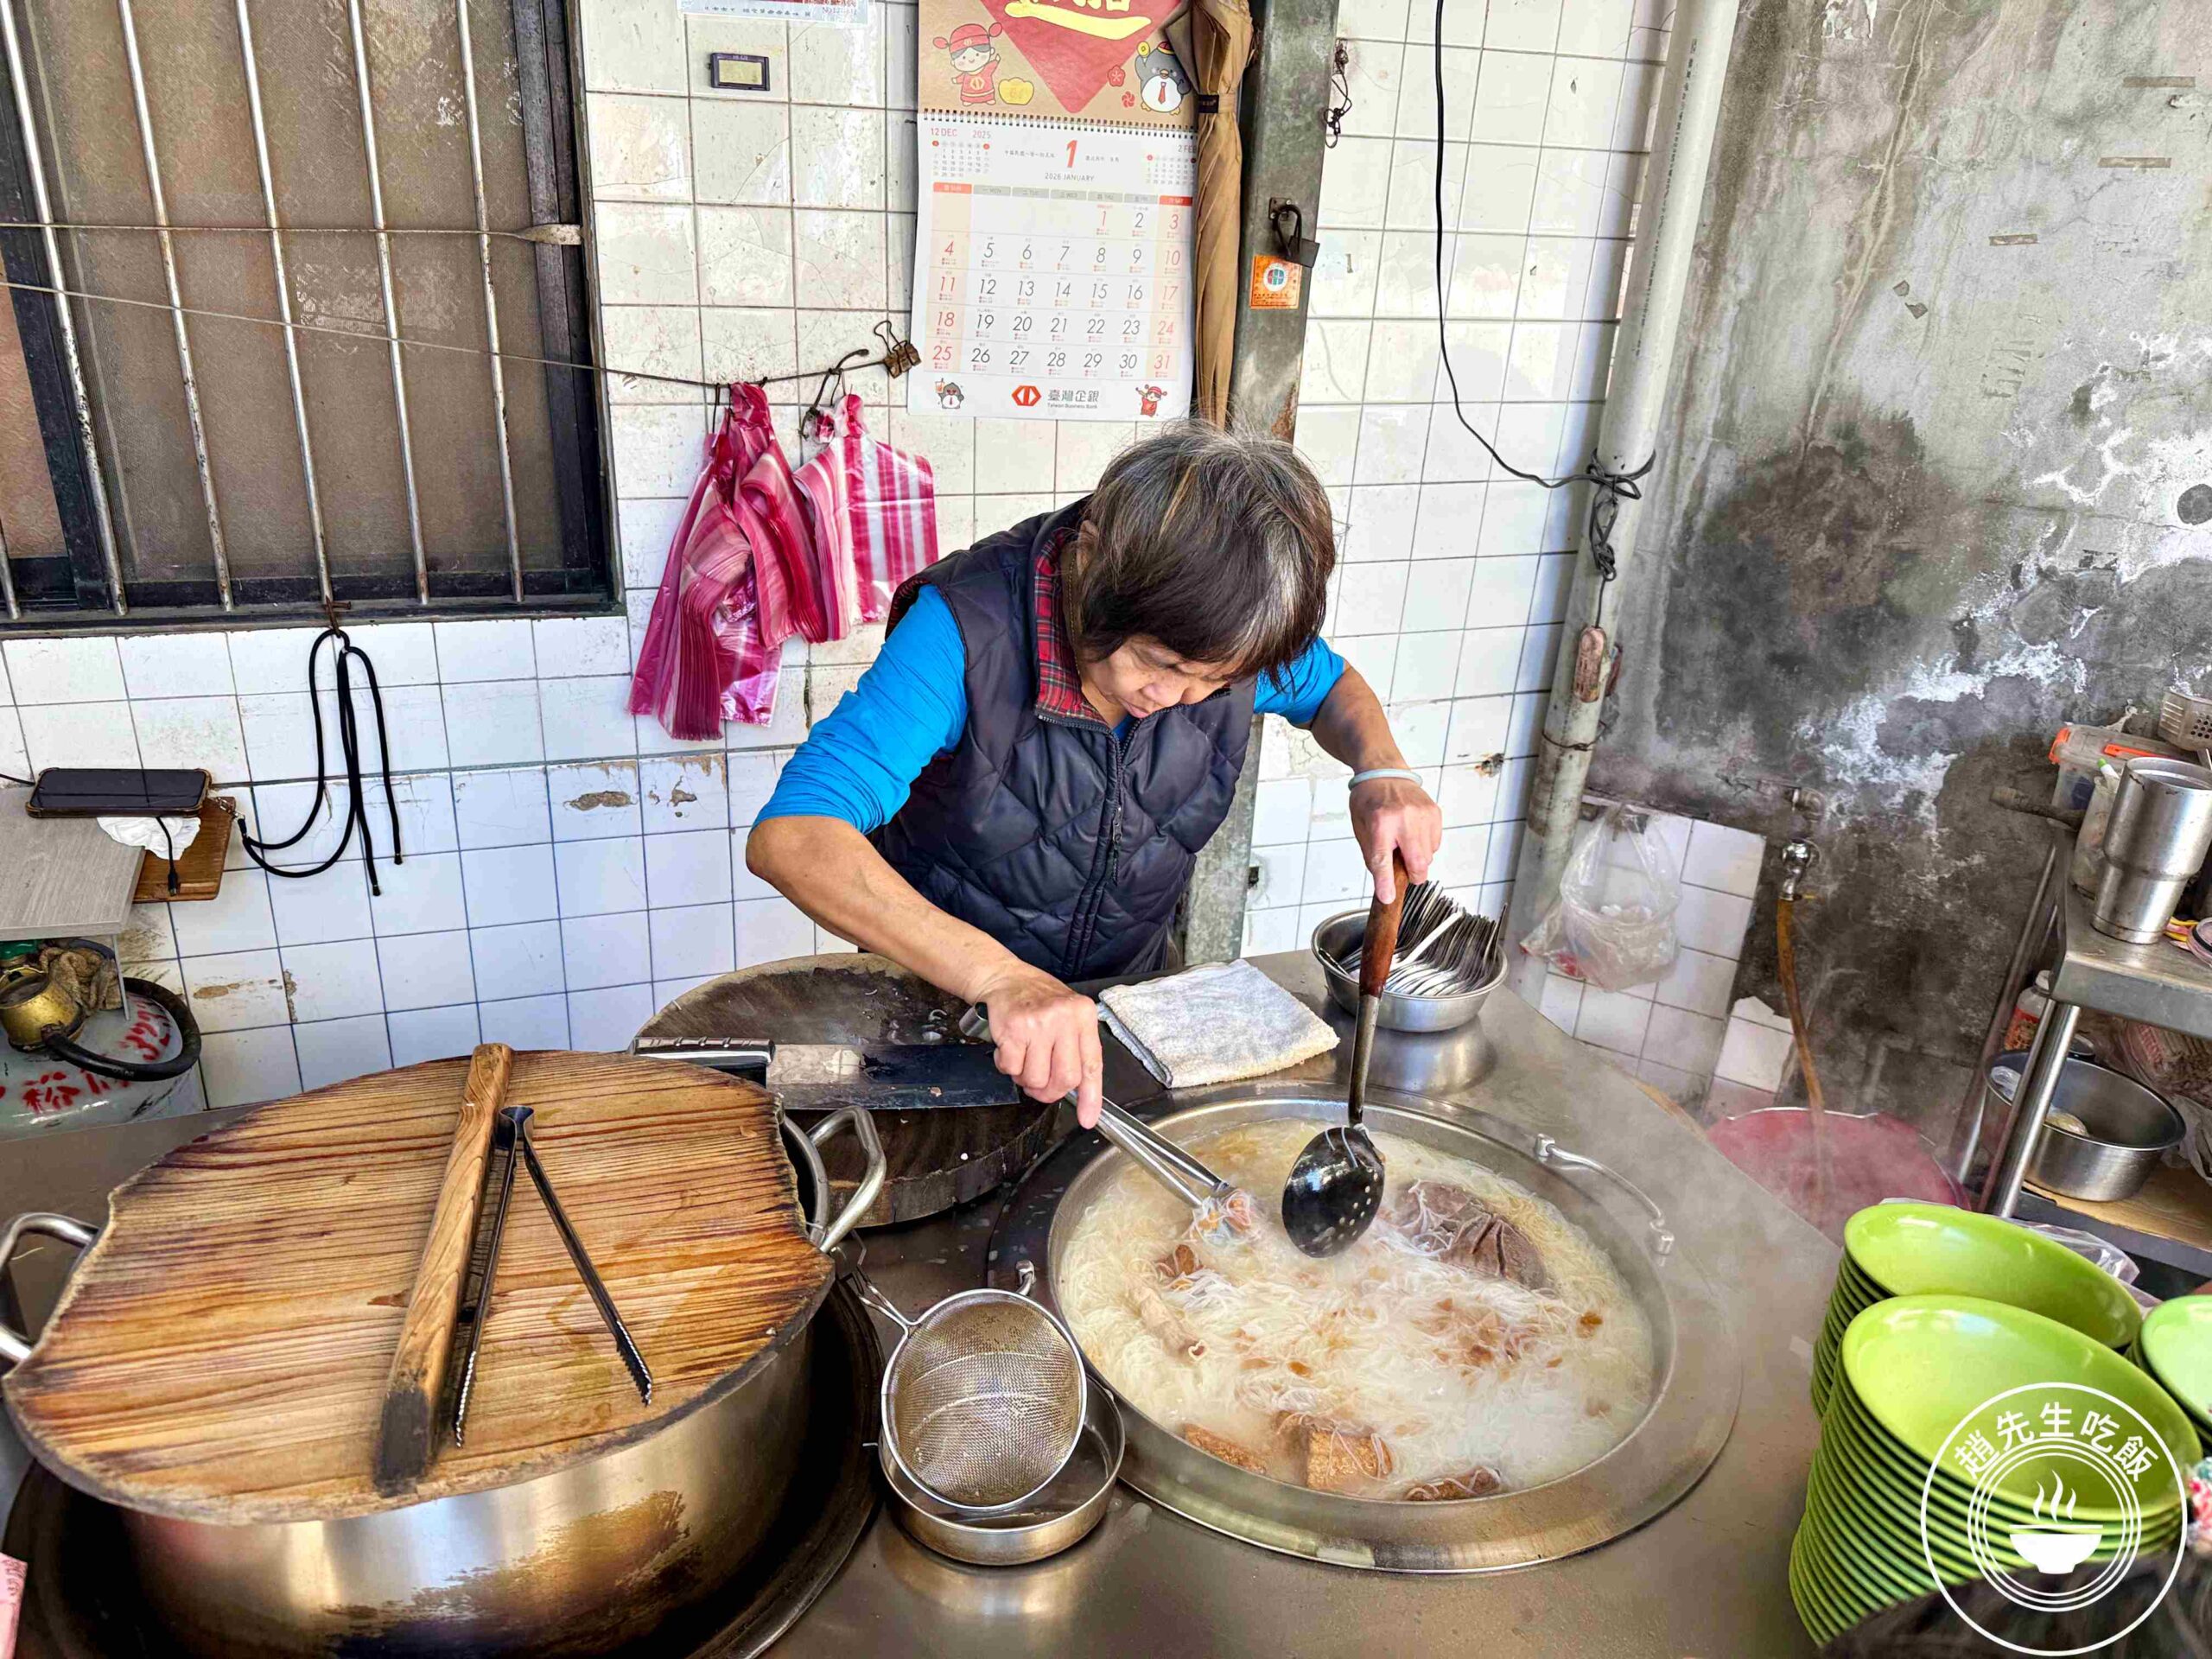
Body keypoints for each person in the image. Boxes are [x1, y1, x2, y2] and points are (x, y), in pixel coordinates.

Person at [745, 426, 1444, 1126]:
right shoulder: (967, 631)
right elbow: (797, 835)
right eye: (1161, 664)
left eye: (1218, 680)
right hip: (944, 1023)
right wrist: (999, 979)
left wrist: (1381, 769)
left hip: (1124, 1010)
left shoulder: (1226, 641)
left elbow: (1329, 686)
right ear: (1095, 562)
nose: (1180, 697)